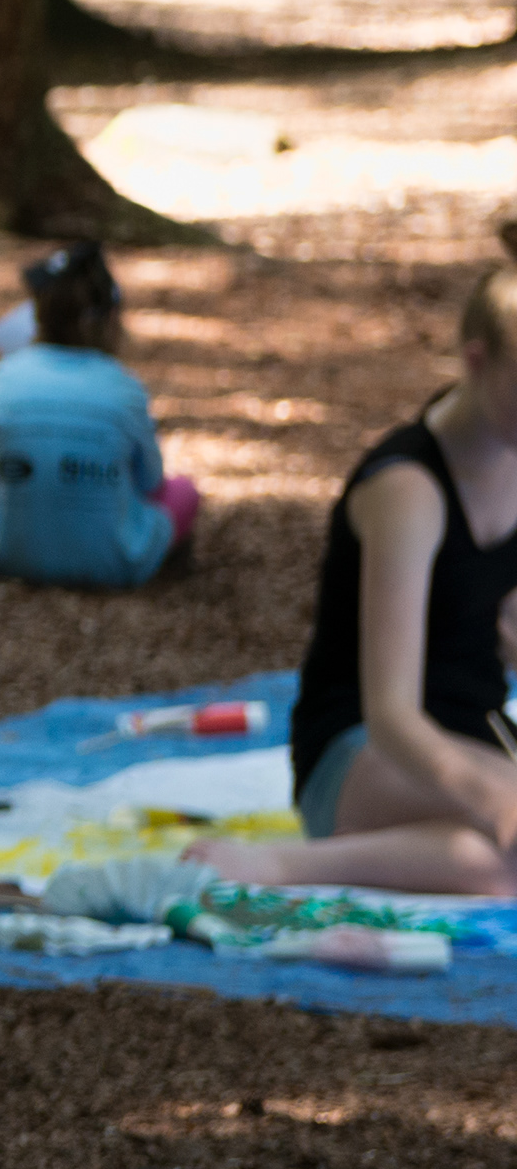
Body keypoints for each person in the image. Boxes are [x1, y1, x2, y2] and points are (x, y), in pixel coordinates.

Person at [198, 229, 517, 898]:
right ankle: (282, 867)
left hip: (469, 739)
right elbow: (391, 715)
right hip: (362, 750)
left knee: (492, 864)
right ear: (478, 361)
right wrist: (495, 797)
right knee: (501, 855)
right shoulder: (408, 491)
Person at [0, 241, 198, 589]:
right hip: (116, 563)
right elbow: (151, 484)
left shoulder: (1, 377)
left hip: (6, 556)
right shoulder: (123, 386)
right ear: (111, 318)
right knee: (184, 491)